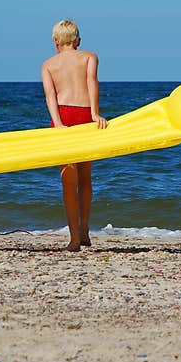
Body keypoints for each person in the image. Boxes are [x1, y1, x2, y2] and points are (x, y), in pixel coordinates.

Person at [41, 20, 108, 251]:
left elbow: (50, 96)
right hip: (85, 116)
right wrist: (95, 113)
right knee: (86, 178)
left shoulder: (48, 64)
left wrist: (58, 123)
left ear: (55, 41)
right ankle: (85, 229)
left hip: (63, 118)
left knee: (68, 183)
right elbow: (92, 83)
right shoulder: (90, 57)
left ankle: (73, 239)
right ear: (78, 40)